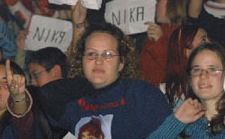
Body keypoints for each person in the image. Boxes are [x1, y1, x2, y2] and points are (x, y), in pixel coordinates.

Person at [39, 23, 170, 138]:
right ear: (82, 60)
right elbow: (46, 94)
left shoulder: (142, 94)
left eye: (108, 54)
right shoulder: (75, 99)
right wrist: (86, 82)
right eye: (91, 54)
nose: (98, 61)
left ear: (121, 63)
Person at [149, 43, 225, 138]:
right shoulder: (183, 121)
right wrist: (176, 121)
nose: (203, 75)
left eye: (212, 69)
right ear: (190, 79)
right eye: (196, 70)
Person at [140, 0, 193, 85]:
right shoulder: (160, 30)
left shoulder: (189, 35)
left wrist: (160, 41)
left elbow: (179, 71)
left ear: (175, 2)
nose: (156, 5)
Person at [164, 25, 209, 110]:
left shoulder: (219, 76)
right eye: (203, 40)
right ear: (186, 51)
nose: (210, 43)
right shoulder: (170, 92)